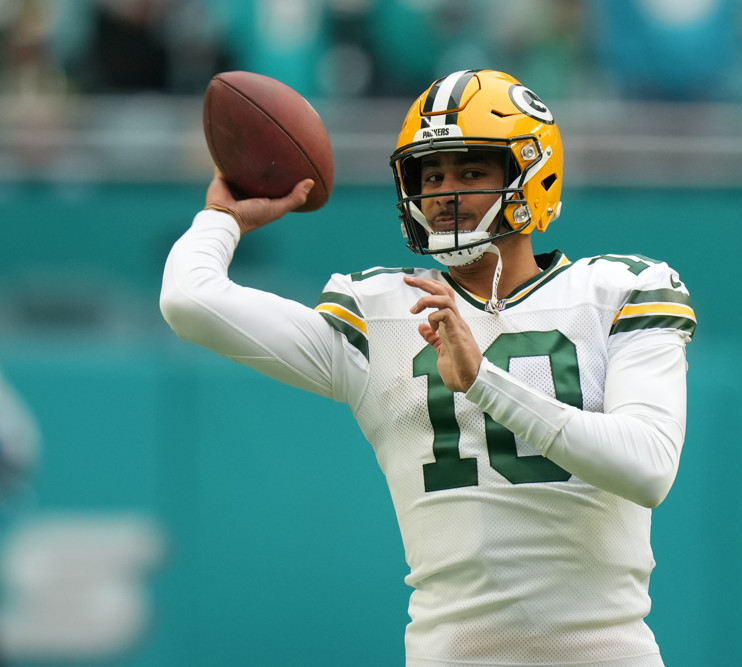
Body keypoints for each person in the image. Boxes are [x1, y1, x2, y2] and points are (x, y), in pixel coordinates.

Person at [160, 69, 696, 666]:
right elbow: (190, 302)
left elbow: (648, 468)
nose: (444, 193)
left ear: (532, 174)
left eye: (471, 171)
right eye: (431, 175)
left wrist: (486, 383)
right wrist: (222, 218)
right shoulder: (382, 311)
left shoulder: (620, 289)